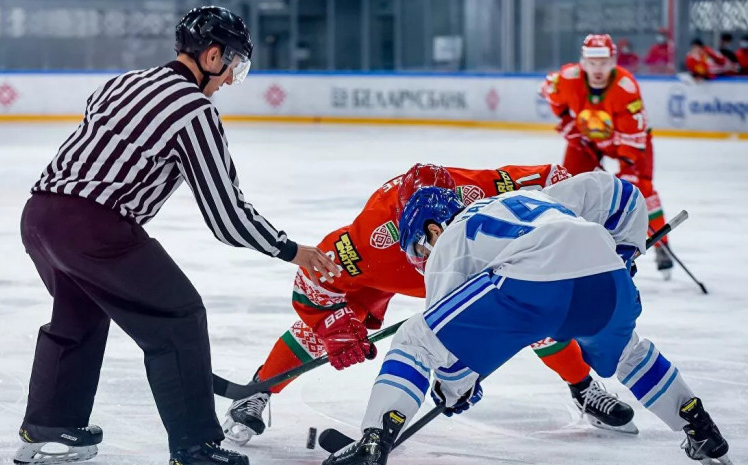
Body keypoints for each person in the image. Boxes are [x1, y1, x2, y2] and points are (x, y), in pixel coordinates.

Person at [13, 6, 339, 465]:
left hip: (40, 216)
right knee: (179, 317)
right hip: (94, 227)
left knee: (79, 313)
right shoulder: (194, 111)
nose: (229, 81)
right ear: (211, 56)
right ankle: (195, 446)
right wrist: (290, 250)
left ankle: (51, 423)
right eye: (233, 67)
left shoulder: (123, 81)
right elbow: (225, 214)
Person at [323, 171, 732, 465]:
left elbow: (447, 352)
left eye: (418, 247)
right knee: (629, 352)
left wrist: (455, 390)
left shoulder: (447, 244)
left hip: (532, 285)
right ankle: (698, 425)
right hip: (605, 279)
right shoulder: (538, 197)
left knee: (415, 338)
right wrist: (623, 253)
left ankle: (374, 438)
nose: (422, 259)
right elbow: (621, 193)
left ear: (431, 229)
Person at [222, 163, 637, 446]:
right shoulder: (369, 242)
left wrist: (604, 244)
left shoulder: (487, 189)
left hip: (481, 257)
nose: (430, 255)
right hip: (387, 275)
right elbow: (310, 282)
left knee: (536, 308)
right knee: (331, 329)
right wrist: (335, 323)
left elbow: (563, 180)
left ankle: (583, 387)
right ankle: (258, 390)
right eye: (421, 246)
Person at [540, 33, 674, 276]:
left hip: (630, 142)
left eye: (603, 62)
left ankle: (661, 244)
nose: (597, 69)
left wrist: (626, 169)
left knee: (640, 188)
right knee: (567, 184)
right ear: (583, 62)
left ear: (613, 61)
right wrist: (568, 123)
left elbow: (632, 139)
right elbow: (550, 93)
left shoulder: (626, 87)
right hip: (587, 139)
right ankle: (568, 242)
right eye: (592, 63)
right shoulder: (569, 78)